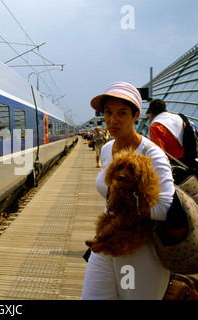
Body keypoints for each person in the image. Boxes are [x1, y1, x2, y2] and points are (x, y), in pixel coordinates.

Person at [81, 81, 175, 300]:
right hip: (108, 242)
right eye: (108, 112)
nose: (113, 120)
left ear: (136, 116)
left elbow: (165, 207)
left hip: (139, 249)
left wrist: (126, 211)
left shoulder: (153, 154)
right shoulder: (106, 150)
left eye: (122, 113)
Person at [148, 99, 185, 165]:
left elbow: (159, 152)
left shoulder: (155, 126)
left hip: (174, 163)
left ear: (151, 113)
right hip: (189, 157)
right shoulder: (179, 117)